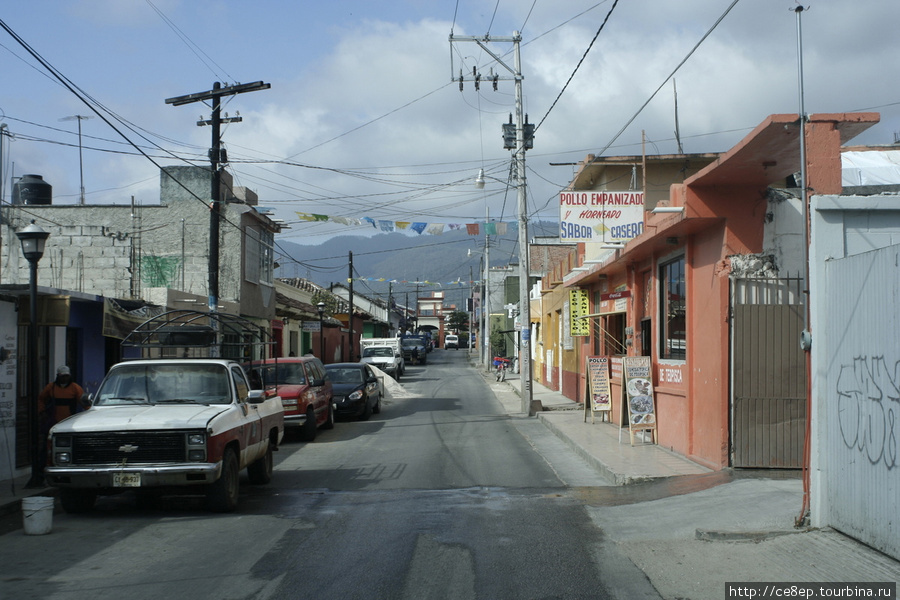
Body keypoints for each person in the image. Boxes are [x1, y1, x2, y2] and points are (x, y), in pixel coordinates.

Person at [38, 365, 88, 434]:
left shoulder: (75, 388)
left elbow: (84, 402)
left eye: (67, 376)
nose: (65, 378)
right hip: (53, 419)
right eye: (62, 376)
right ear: (58, 376)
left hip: (69, 420)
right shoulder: (51, 387)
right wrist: (42, 411)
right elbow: (41, 399)